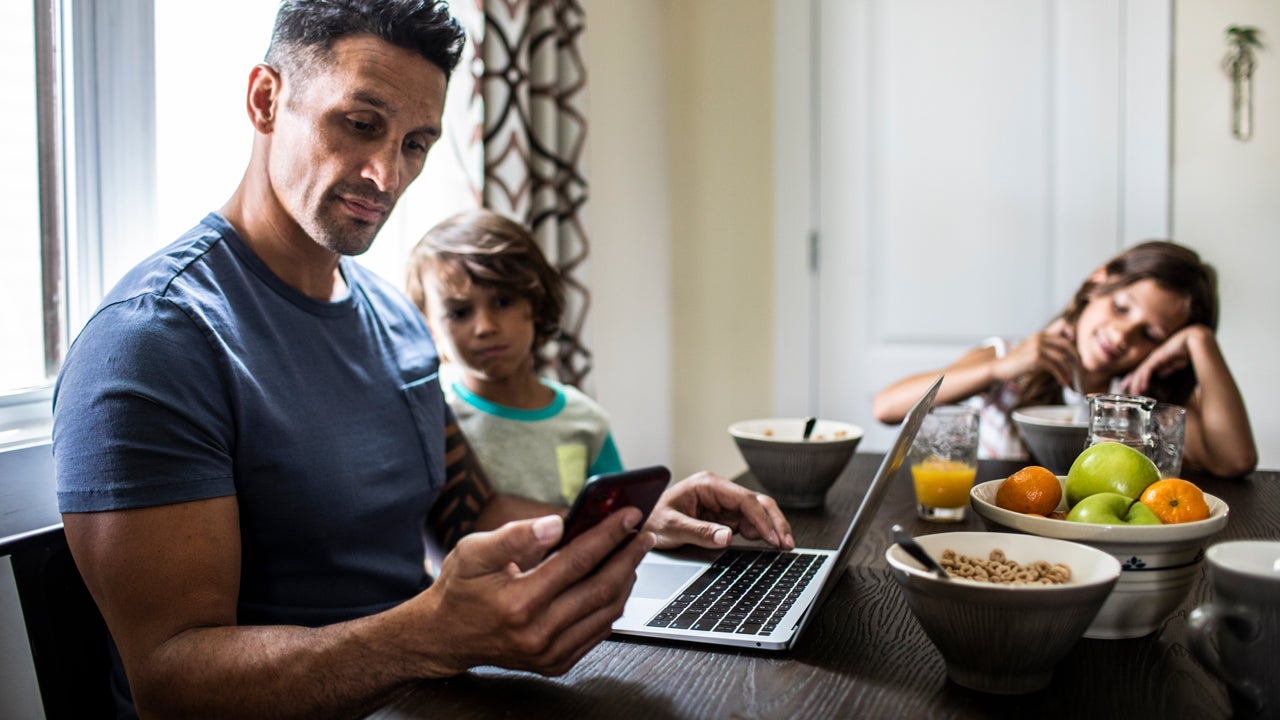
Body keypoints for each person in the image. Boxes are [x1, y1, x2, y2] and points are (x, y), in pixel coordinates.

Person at [51, 2, 794, 718]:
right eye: (361, 124)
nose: (387, 176)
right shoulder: (153, 342)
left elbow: (472, 512)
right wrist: (428, 638)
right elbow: (170, 683)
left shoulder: (394, 317)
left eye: (415, 144)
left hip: (432, 692)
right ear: (266, 98)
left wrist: (636, 521)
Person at [873, 240, 1257, 478]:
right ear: (1095, 284)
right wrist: (998, 369)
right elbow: (887, 407)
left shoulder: (1144, 399)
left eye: (1151, 335)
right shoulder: (1011, 359)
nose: (1123, 335)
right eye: (1121, 308)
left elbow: (1235, 461)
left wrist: (1201, 342)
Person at [406, 209, 622, 506]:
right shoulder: (438, 425)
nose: (485, 327)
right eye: (459, 312)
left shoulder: (586, 421)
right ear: (429, 326)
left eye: (503, 302)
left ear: (536, 301)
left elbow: (620, 519)